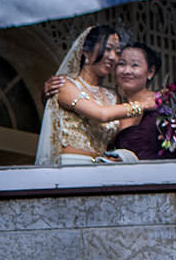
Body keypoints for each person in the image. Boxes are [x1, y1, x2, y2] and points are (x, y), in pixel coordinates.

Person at [37, 23, 134, 164]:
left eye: (117, 52)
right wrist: (143, 105)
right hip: (71, 167)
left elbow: (118, 138)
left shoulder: (113, 97)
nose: (113, 57)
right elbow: (101, 114)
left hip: (101, 169)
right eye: (107, 49)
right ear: (86, 52)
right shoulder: (64, 85)